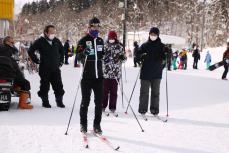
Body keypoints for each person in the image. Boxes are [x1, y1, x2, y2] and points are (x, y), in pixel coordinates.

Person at [77, 17, 104, 134]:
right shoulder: (83, 40)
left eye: (98, 26)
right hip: (87, 77)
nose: (96, 28)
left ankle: (97, 125)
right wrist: (83, 53)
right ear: (89, 27)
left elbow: (103, 55)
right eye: (93, 26)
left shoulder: (100, 41)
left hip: (99, 77)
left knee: (99, 103)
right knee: (85, 102)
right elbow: (77, 57)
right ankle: (83, 124)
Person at [28, 25, 65, 108]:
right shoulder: (40, 41)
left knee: (59, 85)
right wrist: (36, 60)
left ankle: (59, 101)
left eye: (54, 32)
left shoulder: (56, 41)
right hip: (45, 68)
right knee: (44, 86)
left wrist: (61, 61)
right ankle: (45, 101)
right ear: (46, 32)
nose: (53, 33)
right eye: (51, 32)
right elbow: (30, 51)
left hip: (55, 68)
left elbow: (62, 51)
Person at [137, 27, 167, 116]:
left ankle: (154, 109)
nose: (152, 36)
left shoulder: (162, 46)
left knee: (155, 93)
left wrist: (167, 53)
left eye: (154, 35)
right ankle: (142, 109)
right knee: (144, 93)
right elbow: (137, 55)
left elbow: (166, 57)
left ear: (158, 35)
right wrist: (141, 56)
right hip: (145, 73)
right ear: (149, 35)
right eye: (151, 34)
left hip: (157, 73)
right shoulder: (144, 45)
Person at [0, 36, 33, 109]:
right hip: (8, 75)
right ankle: (23, 104)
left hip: (3, 75)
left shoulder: (4, 50)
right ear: (6, 42)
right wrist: (21, 78)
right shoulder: (10, 52)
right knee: (26, 83)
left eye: (13, 42)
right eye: (12, 42)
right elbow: (15, 68)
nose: (13, 44)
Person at [102, 30, 126, 114]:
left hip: (116, 73)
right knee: (104, 91)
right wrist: (104, 58)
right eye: (110, 38)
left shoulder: (119, 47)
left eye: (112, 38)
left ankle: (112, 107)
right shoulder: (105, 46)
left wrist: (123, 58)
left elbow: (124, 58)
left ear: (115, 38)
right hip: (106, 73)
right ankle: (102, 106)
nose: (111, 39)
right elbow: (101, 57)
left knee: (114, 92)